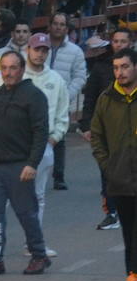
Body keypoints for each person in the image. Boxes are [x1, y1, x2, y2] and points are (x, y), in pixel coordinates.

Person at [0, 51, 51, 276]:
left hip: (21, 165)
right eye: (4, 68)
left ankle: (39, 255)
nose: (8, 73)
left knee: (26, 213)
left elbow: (40, 133)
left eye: (13, 68)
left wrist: (32, 163)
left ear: (21, 70)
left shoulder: (34, 96)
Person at [90, 48, 137, 281]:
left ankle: (135, 274)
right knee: (129, 230)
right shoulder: (107, 99)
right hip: (119, 178)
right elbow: (96, 137)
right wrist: (107, 166)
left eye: (125, 67)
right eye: (116, 68)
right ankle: (132, 273)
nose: (120, 72)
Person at [81, 29, 129, 231]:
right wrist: (86, 125)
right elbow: (90, 96)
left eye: (123, 41)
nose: (119, 44)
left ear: (130, 43)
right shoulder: (101, 66)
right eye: (116, 41)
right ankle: (111, 213)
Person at [23, 33, 68, 239]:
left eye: (44, 50)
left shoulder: (56, 80)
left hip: (44, 144)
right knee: (3, 194)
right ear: (28, 50)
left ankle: (34, 242)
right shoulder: (16, 74)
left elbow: (62, 114)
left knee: (38, 196)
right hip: (16, 143)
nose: (40, 54)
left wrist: (53, 139)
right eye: (37, 49)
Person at [46, 12, 87, 190]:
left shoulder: (75, 51)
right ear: (50, 25)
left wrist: (67, 94)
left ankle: (59, 175)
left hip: (61, 99)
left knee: (59, 136)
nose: (58, 27)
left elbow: (79, 77)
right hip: (39, 97)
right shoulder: (39, 44)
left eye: (62, 24)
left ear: (67, 28)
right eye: (55, 23)